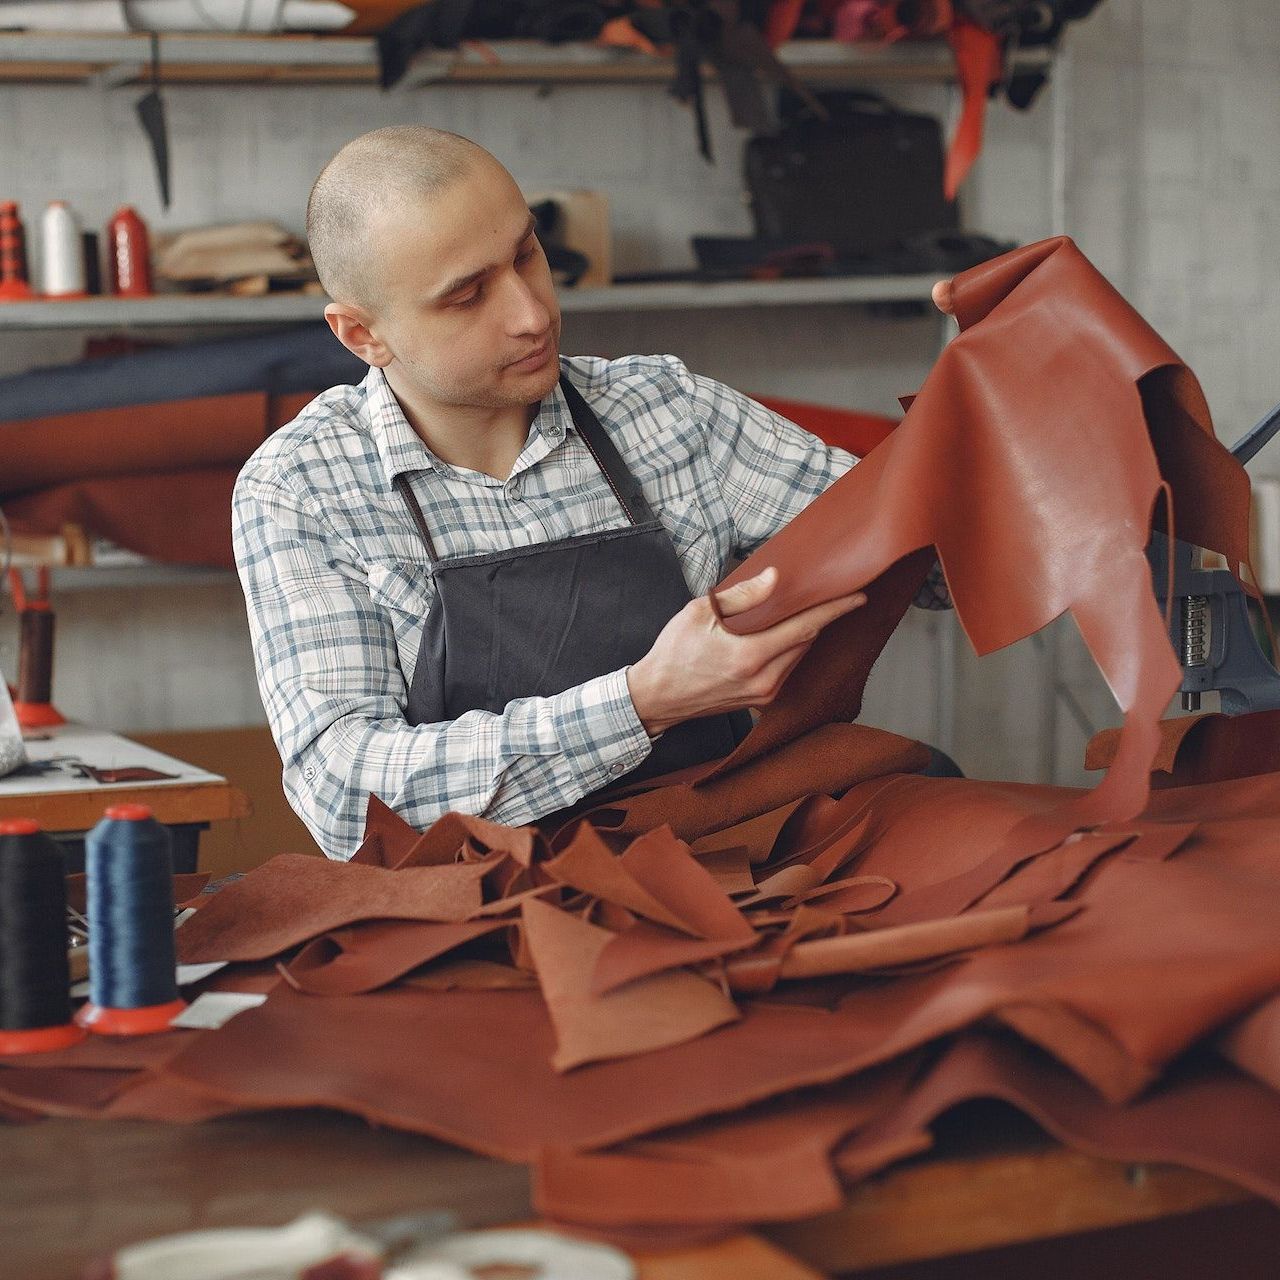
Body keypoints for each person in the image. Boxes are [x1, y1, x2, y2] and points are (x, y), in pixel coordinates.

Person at [233, 126, 919, 861]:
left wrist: (1003, 389)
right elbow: (345, 802)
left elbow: (920, 547)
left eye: (529, 255)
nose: (532, 314)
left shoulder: (665, 411)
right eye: (467, 296)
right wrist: (644, 702)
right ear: (362, 334)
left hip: (718, 859)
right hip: (469, 916)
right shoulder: (302, 488)